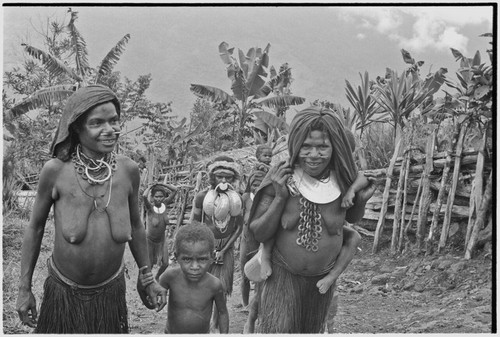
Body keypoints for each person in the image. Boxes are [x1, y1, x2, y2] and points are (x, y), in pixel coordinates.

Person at [15, 85, 167, 333]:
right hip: (64, 293)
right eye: (97, 123)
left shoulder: (128, 171)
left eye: (114, 120)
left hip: (110, 295)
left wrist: (146, 277)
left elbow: (137, 226)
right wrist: (24, 288)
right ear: (75, 127)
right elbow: (35, 227)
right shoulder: (55, 171)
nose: (110, 130)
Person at [248, 106, 376, 333]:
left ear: (335, 147)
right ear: (296, 145)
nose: (314, 155)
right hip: (282, 277)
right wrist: (279, 196)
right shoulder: (281, 176)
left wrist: (361, 200)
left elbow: (352, 218)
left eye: (322, 147)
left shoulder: (344, 179)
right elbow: (258, 232)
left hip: (320, 284)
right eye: (306, 146)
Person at [140, 222, 229, 334]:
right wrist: (145, 288)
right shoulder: (169, 277)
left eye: (202, 259)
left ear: (212, 257)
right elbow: (153, 303)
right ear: (177, 257)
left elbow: (222, 313)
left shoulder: (215, 285)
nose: (195, 267)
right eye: (187, 259)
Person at [191, 156, 243, 332]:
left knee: (221, 290)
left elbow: (238, 228)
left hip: (225, 251)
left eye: (228, 177)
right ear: (212, 178)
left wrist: (224, 250)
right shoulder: (202, 197)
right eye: (220, 176)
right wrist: (204, 248)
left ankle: (217, 324)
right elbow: (195, 224)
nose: (223, 181)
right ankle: (202, 325)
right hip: (206, 250)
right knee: (203, 288)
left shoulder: (236, 199)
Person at [239, 170, 267, 333]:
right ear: (250, 183)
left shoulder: (266, 198)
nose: (257, 187)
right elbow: (239, 217)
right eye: (254, 184)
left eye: (260, 184)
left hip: (261, 241)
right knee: (245, 274)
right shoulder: (245, 198)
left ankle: (256, 305)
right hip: (247, 240)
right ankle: (244, 303)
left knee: (260, 275)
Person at [143, 183, 178, 280]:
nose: (159, 199)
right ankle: (148, 283)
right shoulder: (150, 208)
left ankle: (157, 277)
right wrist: (150, 186)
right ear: (153, 197)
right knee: (148, 266)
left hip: (161, 240)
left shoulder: (165, 204)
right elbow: (144, 196)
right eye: (156, 197)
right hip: (149, 241)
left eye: (161, 196)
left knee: (166, 263)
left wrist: (162, 184)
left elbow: (175, 190)